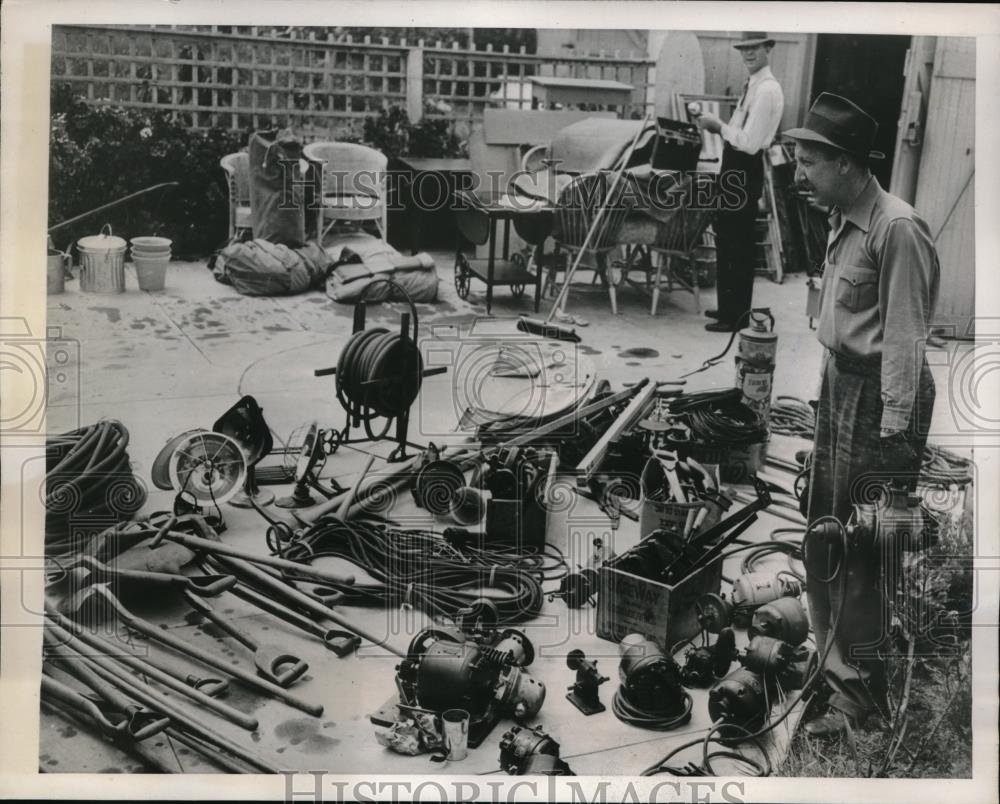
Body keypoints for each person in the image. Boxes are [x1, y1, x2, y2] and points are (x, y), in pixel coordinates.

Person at [785, 93, 939, 738]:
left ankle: (861, 696)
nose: (800, 174)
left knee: (864, 551)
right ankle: (833, 663)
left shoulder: (895, 228)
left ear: (847, 164)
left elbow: (904, 337)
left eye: (811, 161)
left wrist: (895, 439)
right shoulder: (842, 217)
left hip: (881, 399)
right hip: (842, 387)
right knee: (823, 532)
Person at [696, 32, 784, 333]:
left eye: (754, 48)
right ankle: (727, 309)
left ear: (768, 48)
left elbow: (748, 142)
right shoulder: (753, 86)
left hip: (745, 167)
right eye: (744, 49)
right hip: (734, 166)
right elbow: (738, 128)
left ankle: (736, 316)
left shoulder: (767, 91)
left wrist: (717, 127)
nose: (748, 54)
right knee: (727, 237)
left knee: (738, 244)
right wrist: (719, 125)